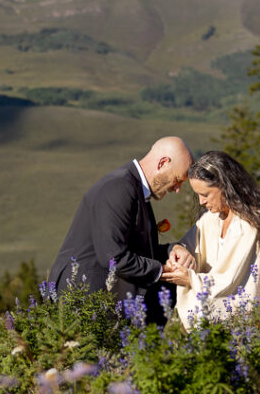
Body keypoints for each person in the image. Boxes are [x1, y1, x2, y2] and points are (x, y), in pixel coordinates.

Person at [47, 136, 197, 323]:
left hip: (100, 301)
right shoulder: (118, 187)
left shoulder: (135, 189)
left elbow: (139, 251)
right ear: (163, 163)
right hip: (83, 298)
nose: (177, 189)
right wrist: (163, 269)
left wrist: (173, 250)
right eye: (177, 179)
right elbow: (114, 257)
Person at [161, 150, 260, 331]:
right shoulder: (211, 219)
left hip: (250, 327)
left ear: (226, 187)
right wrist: (178, 250)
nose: (201, 202)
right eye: (198, 195)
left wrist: (191, 279)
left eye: (206, 194)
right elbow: (187, 244)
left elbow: (233, 284)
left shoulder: (249, 226)